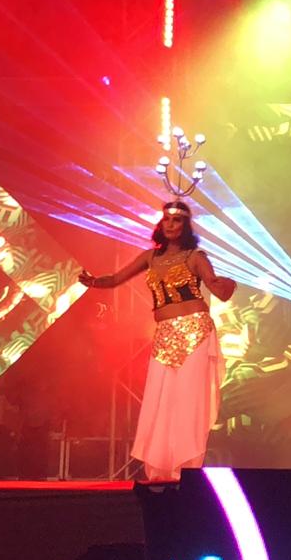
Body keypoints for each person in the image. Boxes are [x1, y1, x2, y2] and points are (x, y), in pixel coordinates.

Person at [79, 200, 236, 481]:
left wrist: (225, 284)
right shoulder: (150, 257)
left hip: (195, 333)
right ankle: (163, 468)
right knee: (161, 401)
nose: (170, 225)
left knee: (187, 399)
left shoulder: (195, 257)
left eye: (176, 220)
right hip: (164, 334)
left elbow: (216, 286)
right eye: (166, 220)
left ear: (185, 225)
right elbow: (115, 279)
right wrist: (93, 281)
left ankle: (186, 468)